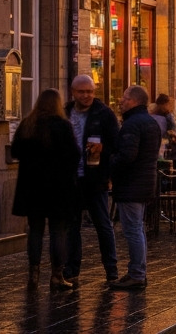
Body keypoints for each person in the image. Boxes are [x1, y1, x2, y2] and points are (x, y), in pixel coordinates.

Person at [11, 88, 80, 290]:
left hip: (33, 189)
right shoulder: (62, 126)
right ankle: (57, 275)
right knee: (58, 231)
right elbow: (74, 156)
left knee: (35, 231)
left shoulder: (28, 125)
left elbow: (15, 151)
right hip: (58, 189)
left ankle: (33, 274)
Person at [64, 75, 119, 285]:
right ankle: (71, 270)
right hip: (72, 179)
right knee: (72, 226)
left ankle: (111, 270)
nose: (86, 95)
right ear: (73, 92)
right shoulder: (66, 113)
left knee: (103, 224)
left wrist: (103, 152)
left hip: (95, 178)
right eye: (82, 92)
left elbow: (115, 144)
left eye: (90, 91)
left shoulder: (104, 114)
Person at [110, 85, 161, 290]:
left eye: (124, 98)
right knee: (137, 228)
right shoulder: (150, 122)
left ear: (134, 101)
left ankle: (137, 274)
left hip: (132, 183)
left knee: (132, 229)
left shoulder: (132, 124)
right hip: (145, 181)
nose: (121, 101)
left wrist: (109, 161)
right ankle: (138, 270)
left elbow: (128, 156)